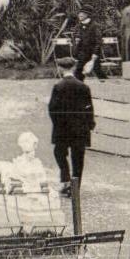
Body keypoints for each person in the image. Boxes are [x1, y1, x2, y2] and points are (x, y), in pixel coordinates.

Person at [48, 55, 95, 196]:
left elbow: (52, 109)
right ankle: (75, 188)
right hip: (80, 129)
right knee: (78, 159)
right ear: (74, 68)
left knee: (59, 153)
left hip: (63, 129)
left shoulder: (58, 87)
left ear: (60, 68)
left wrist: (57, 124)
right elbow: (89, 108)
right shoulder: (84, 87)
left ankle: (65, 177)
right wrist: (89, 124)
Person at [71, 8, 107, 82]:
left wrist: (95, 53)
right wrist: (76, 50)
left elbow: (98, 41)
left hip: (92, 52)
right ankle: (79, 87)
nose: (80, 15)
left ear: (87, 15)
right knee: (78, 71)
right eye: (79, 13)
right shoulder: (78, 26)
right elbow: (75, 39)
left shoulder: (95, 26)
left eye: (82, 13)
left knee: (97, 70)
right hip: (82, 53)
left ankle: (107, 84)